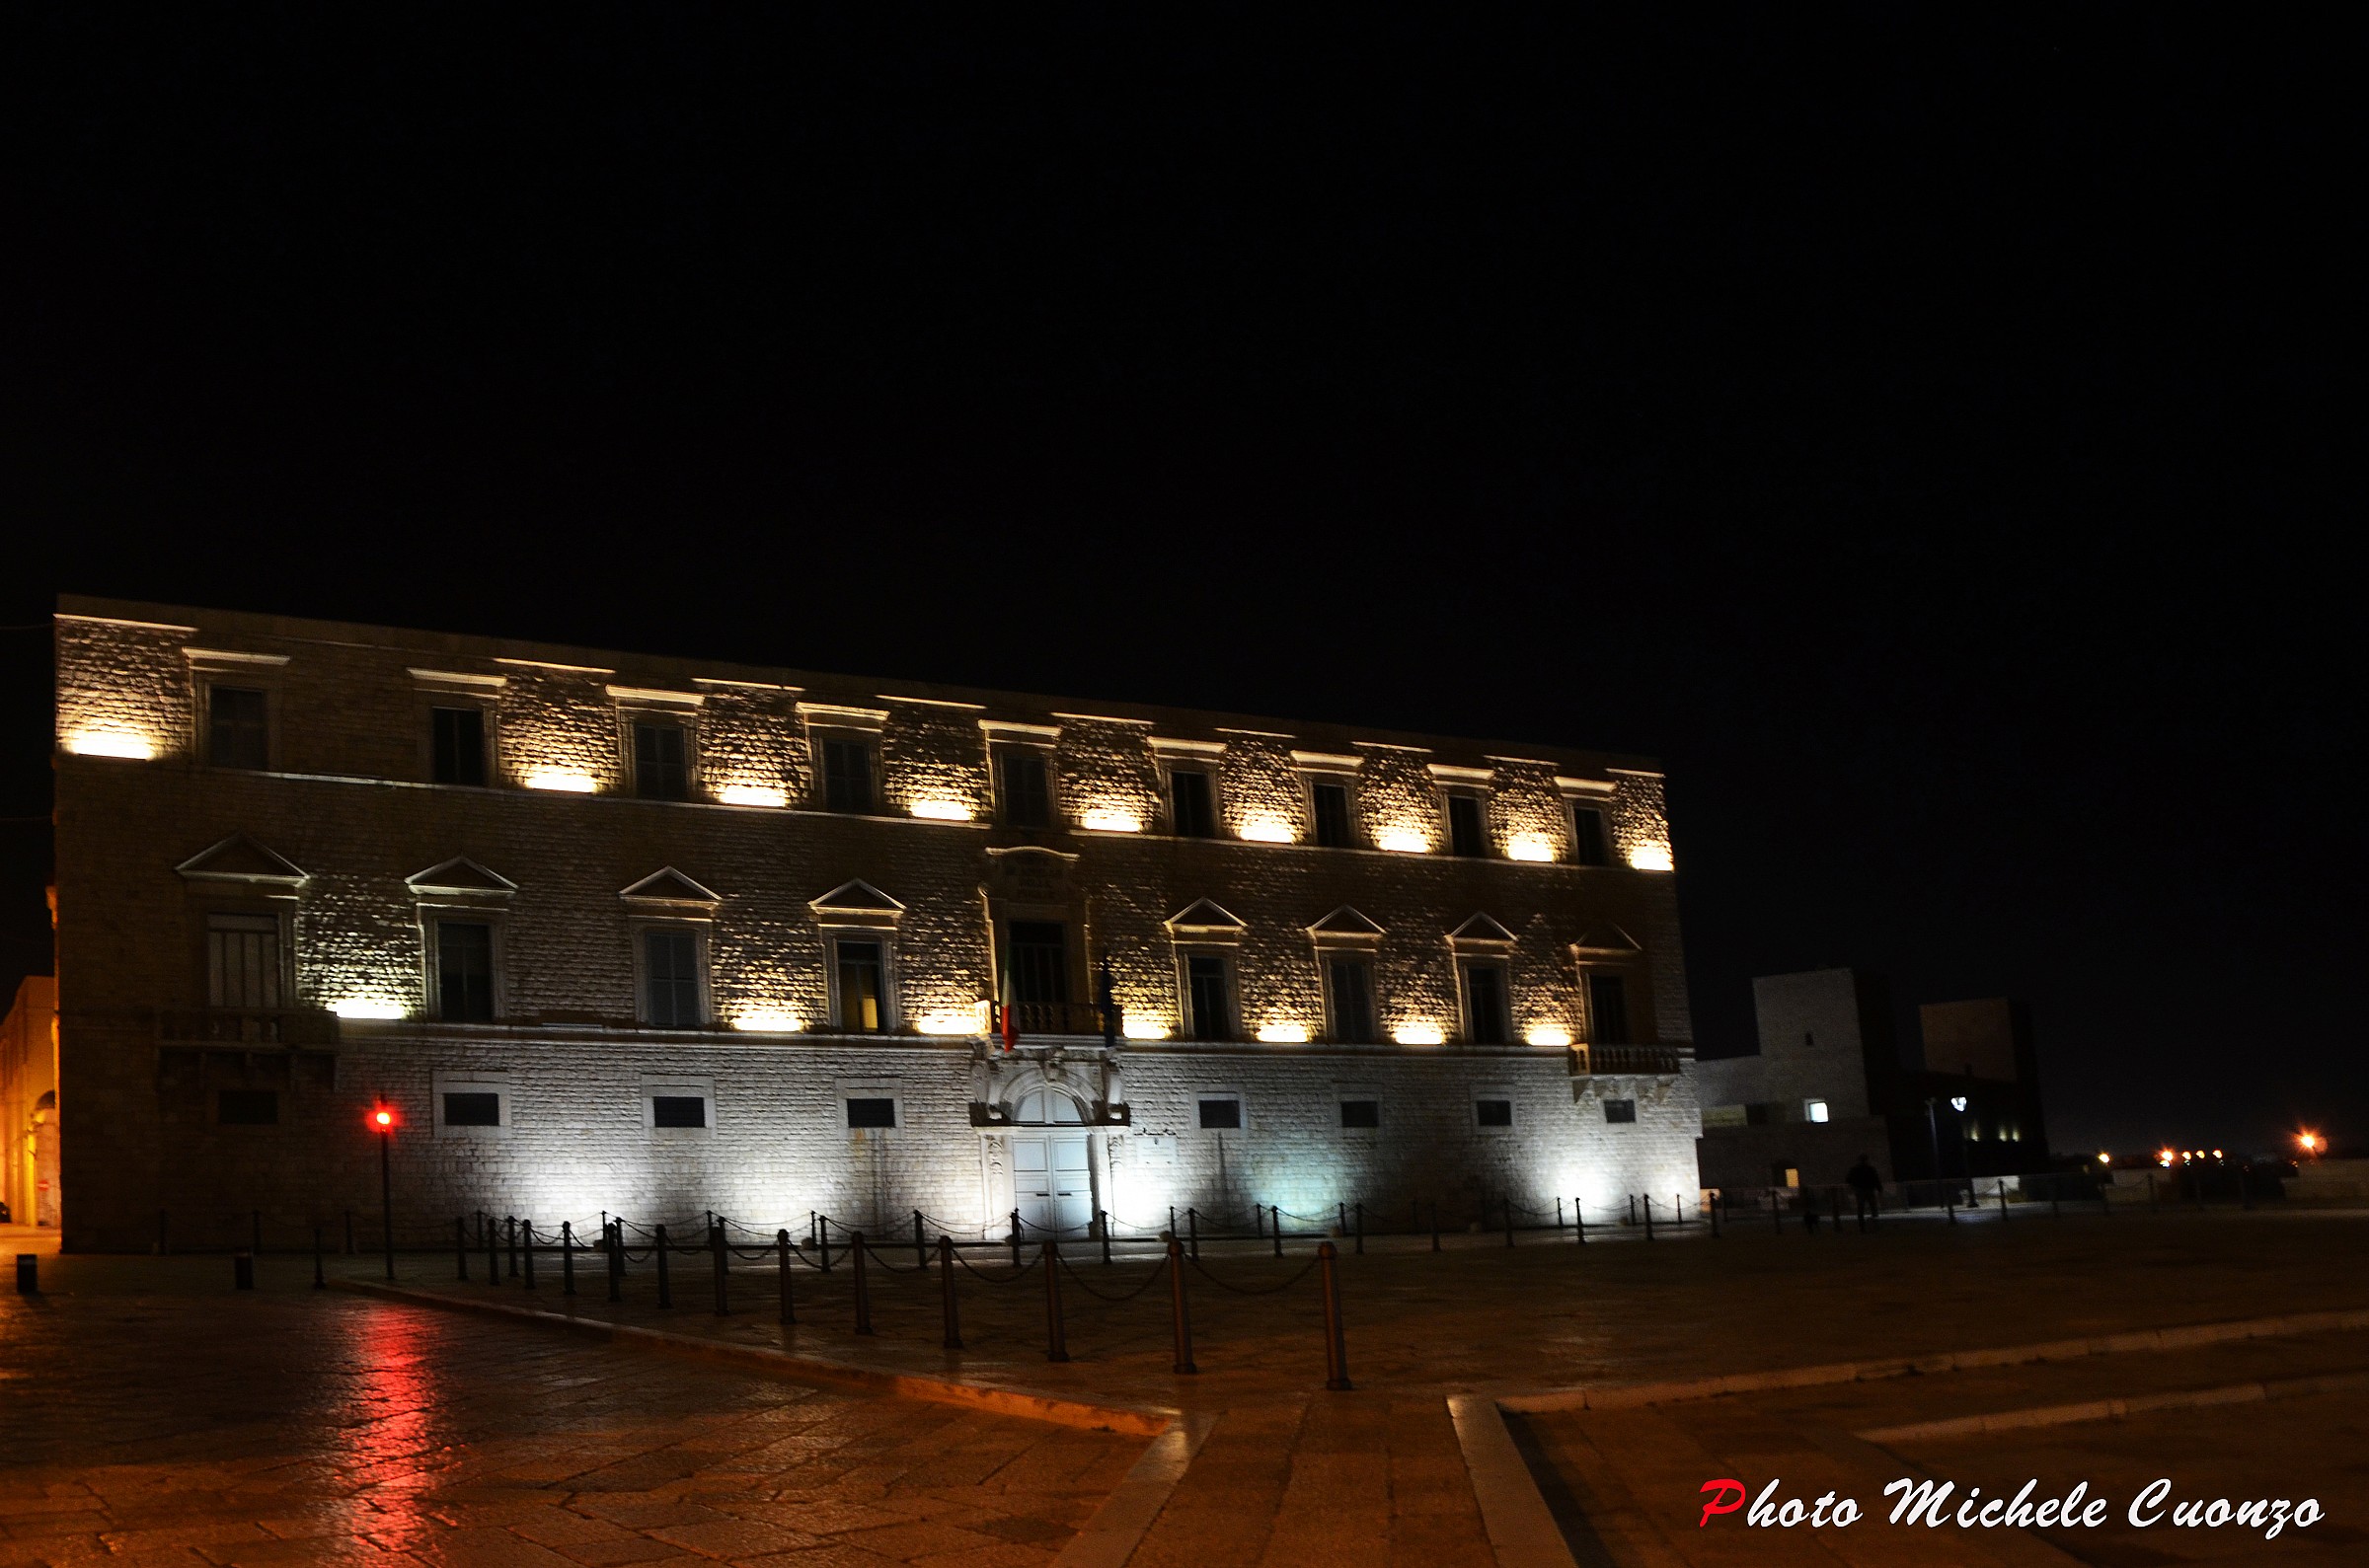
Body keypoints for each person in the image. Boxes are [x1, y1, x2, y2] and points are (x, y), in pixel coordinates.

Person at [1846, 1156, 1883, 1228]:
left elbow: (1848, 1179)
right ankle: (1876, 1224)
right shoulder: (1870, 1169)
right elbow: (1876, 1179)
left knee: (1861, 1208)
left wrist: (1853, 1186)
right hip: (1869, 1189)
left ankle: (1862, 1226)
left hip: (1860, 1190)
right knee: (1873, 1208)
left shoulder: (1855, 1169)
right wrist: (1879, 1189)